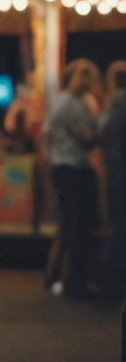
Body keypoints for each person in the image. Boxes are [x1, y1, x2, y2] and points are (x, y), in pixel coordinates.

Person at [43, 61, 99, 298]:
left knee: (66, 224)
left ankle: (54, 275)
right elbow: (87, 138)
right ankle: (74, 280)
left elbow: (47, 132)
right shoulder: (76, 105)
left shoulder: (58, 100)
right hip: (74, 167)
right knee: (78, 225)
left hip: (59, 165)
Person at [98, 62, 126, 303]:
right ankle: (110, 284)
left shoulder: (111, 104)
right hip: (119, 178)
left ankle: (109, 283)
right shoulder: (120, 104)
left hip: (115, 176)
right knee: (120, 232)